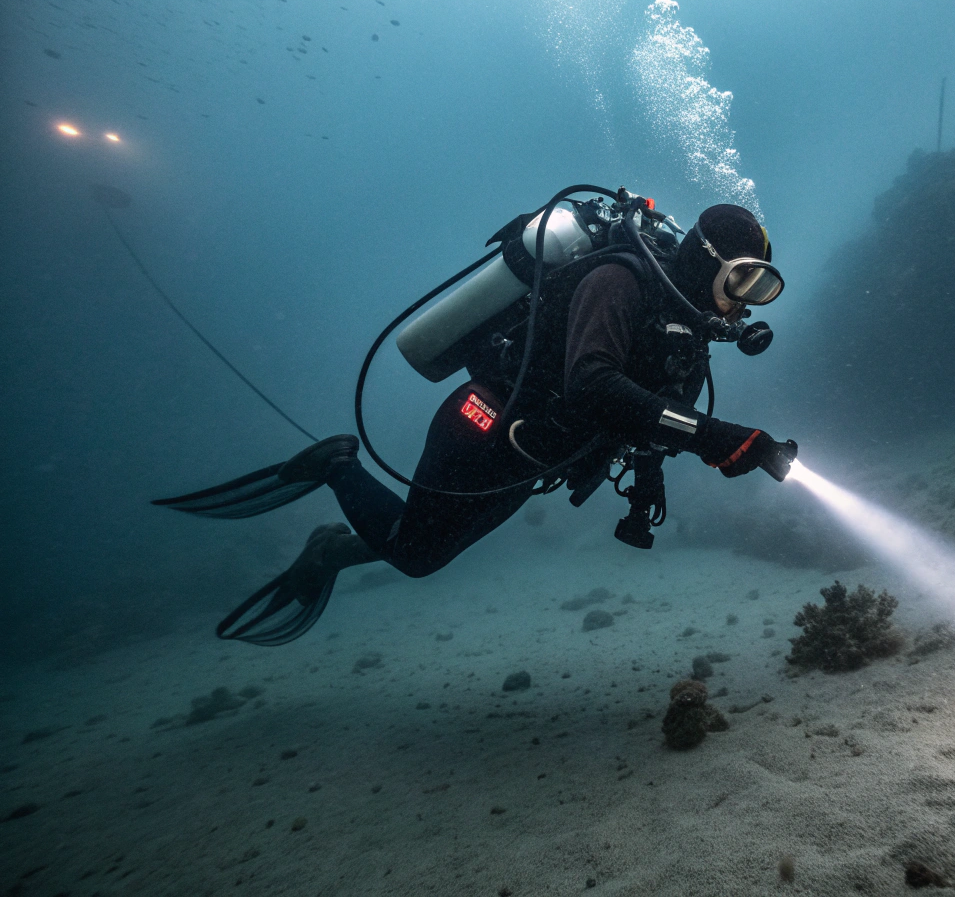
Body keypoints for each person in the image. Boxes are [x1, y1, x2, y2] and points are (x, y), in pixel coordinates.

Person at [155, 203, 795, 644]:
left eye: (761, 288)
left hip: (532, 458)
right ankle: (338, 465)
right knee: (417, 556)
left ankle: (333, 549)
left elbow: (652, 409)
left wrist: (648, 480)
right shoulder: (617, 281)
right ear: (704, 261)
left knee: (428, 548)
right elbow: (595, 384)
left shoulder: (684, 330)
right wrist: (717, 437)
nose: (746, 302)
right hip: (484, 424)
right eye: (743, 280)